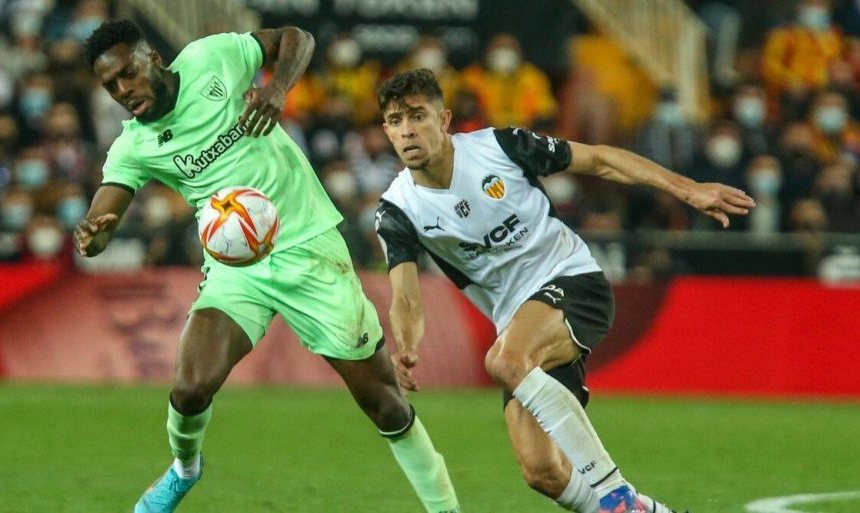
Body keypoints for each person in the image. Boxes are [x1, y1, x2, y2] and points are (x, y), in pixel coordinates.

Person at [76, 21, 460, 513]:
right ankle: (183, 470)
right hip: (237, 268)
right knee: (190, 388)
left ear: (152, 58)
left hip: (309, 249)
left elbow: (297, 37)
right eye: (110, 86)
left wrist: (278, 88)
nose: (123, 91)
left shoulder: (210, 58)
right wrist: (93, 233)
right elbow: (102, 213)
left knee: (385, 404)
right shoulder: (135, 145)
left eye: (127, 74)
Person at [373, 69, 755, 513]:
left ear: (444, 119)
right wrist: (406, 346)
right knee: (543, 472)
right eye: (396, 121)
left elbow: (599, 160)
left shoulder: (499, 147)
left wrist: (687, 190)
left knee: (504, 359)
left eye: (417, 116)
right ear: (386, 130)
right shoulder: (397, 209)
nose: (407, 130)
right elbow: (405, 295)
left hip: (573, 281)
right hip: (519, 322)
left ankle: (617, 496)